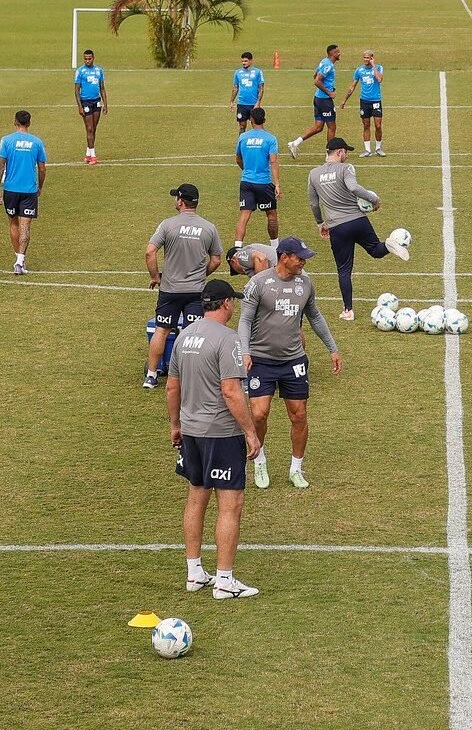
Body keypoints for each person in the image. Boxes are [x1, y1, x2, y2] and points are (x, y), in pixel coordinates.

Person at [170, 278, 264, 600]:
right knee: (231, 503)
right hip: (221, 434)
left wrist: (175, 426)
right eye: (232, 302)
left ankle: (194, 573)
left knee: (196, 497)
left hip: (191, 430)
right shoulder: (228, 339)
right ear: (225, 304)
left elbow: (172, 387)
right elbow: (231, 390)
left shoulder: (184, 336)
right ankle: (224, 581)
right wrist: (250, 431)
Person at [238, 236, 343, 490]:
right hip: (261, 359)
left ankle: (296, 468)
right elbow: (244, 320)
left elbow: (315, 316)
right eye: (300, 258)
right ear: (284, 257)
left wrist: (332, 348)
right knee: (259, 413)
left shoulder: (305, 284)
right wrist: (244, 351)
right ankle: (259, 460)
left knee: (299, 414)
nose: (303, 263)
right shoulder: (258, 284)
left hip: (293, 360)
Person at [308, 135, 408, 319]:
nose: (347, 156)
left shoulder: (313, 174)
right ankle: (389, 244)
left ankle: (348, 311)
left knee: (344, 269)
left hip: (337, 227)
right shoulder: (346, 168)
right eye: (346, 152)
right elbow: (353, 188)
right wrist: (374, 200)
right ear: (339, 152)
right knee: (376, 250)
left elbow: (314, 204)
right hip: (358, 221)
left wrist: (320, 223)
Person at [145, 183, 225, 390]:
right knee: (192, 335)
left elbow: (150, 252)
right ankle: (189, 377)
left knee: (161, 330)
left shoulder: (167, 225)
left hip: (170, 290)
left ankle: (151, 376)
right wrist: (201, 274)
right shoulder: (209, 227)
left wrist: (155, 276)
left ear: (180, 201)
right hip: (195, 291)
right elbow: (216, 259)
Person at [0, 110, 48, 275]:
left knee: (13, 224)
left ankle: (18, 258)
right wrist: (40, 186)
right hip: (29, 190)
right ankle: (20, 261)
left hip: (10, 189)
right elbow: (42, 168)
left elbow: (0, 165)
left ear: (15, 122)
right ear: (29, 123)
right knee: (25, 226)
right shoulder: (37, 142)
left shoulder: (6, 140)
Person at [234, 106, 282, 249]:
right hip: (264, 183)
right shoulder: (271, 139)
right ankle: (275, 247)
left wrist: (247, 170)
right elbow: (273, 161)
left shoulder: (242, 137)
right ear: (264, 120)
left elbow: (238, 159)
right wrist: (277, 184)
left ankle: (237, 248)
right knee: (271, 214)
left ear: (251, 120)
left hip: (246, 181)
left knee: (244, 215)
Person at [290, 43, 341, 157]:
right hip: (324, 100)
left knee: (318, 127)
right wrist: (329, 92)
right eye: (338, 52)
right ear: (333, 53)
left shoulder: (324, 61)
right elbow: (317, 80)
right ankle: (330, 154)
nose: (339, 53)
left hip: (318, 99)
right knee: (332, 127)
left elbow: (315, 75)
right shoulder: (328, 65)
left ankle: (295, 143)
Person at [340, 50, 386, 156]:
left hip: (376, 100)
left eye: (368, 57)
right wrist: (345, 100)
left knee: (378, 125)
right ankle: (367, 150)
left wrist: (373, 65)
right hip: (364, 101)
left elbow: (379, 79)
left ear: (372, 58)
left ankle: (378, 148)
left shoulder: (378, 68)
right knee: (366, 125)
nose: (366, 59)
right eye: (364, 57)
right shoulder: (359, 70)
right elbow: (353, 86)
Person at [73, 48, 107, 164]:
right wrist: (79, 106)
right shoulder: (80, 72)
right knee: (89, 128)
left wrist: (105, 104)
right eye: (86, 59)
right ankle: (93, 156)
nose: (87, 61)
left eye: (89, 59)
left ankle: (88, 154)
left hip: (96, 102)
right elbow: (77, 90)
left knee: (94, 128)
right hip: (86, 102)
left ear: (93, 58)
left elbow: (102, 88)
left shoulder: (99, 71)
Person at [231, 51, 266, 134]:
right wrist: (232, 101)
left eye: (246, 61)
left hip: (253, 104)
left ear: (251, 61)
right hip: (242, 104)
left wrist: (258, 102)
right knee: (242, 126)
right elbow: (235, 88)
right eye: (242, 61)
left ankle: (261, 142)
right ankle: (241, 144)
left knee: (256, 125)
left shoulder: (258, 72)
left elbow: (261, 88)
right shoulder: (238, 73)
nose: (244, 63)